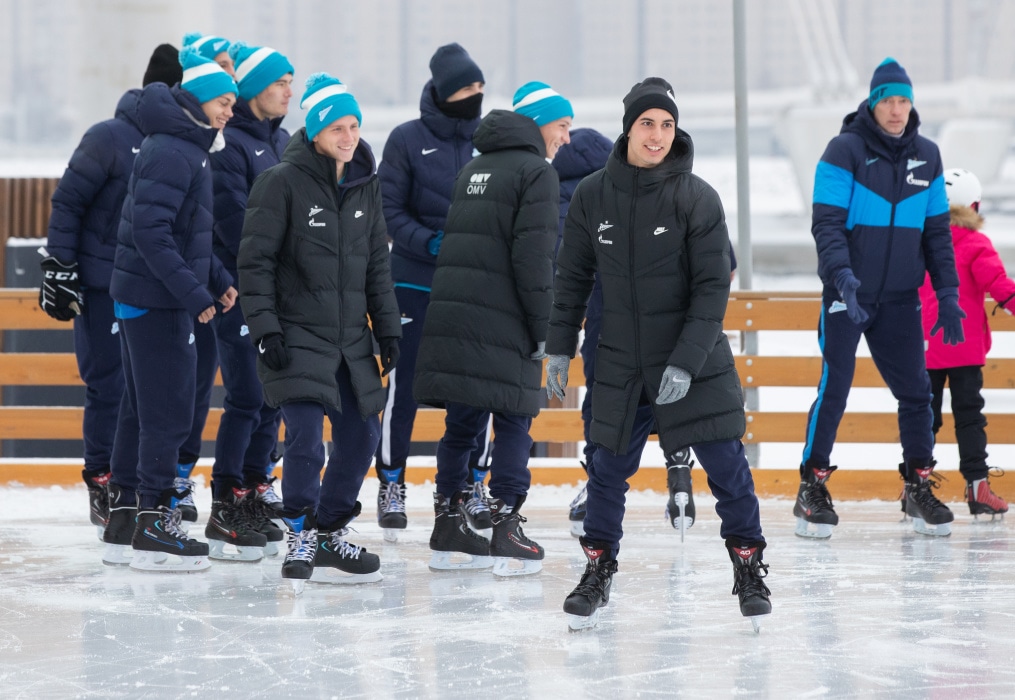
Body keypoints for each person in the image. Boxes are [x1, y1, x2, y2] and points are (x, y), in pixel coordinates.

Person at [545, 77, 770, 631]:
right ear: (628, 128)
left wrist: (685, 362)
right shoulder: (593, 195)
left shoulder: (696, 197)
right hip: (621, 357)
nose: (658, 135)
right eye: (647, 123)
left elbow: (712, 288)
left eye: (667, 124)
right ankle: (597, 569)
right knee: (606, 470)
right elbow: (571, 277)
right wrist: (556, 347)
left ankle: (748, 565)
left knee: (726, 466)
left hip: (693, 357)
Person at [238, 72, 402, 592]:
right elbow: (256, 263)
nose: (349, 137)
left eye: (354, 126)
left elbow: (378, 262)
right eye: (337, 128)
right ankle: (301, 531)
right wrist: (265, 329)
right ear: (315, 132)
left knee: (361, 435)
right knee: (306, 438)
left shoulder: (364, 185)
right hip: (296, 334)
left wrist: (389, 329)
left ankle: (329, 529)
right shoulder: (281, 182)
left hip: (351, 339)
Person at [796, 57, 964, 539]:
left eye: (904, 100)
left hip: (899, 299)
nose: (896, 110)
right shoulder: (843, 151)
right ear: (873, 104)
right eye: (888, 100)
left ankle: (918, 486)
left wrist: (948, 293)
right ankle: (812, 485)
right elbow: (826, 224)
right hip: (846, 294)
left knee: (916, 391)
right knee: (837, 385)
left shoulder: (928, 157)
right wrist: (843, 277)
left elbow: (936, 235)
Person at [413, 81, 571, 576]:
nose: (566, 138)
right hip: (505, 323)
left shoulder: (473, 169)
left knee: (461, 424)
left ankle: (448, 525)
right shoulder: (536, 173)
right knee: (514, 422)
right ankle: (505, 526)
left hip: (458, 318)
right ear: (540, 125)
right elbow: (534, 260)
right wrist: (544, 329)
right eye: (562, 127)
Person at [556, 129, 740, 542]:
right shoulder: (659, 188)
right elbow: (723, 266)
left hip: (608, 321)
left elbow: (564, 268)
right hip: (664, 324)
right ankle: (678, 466)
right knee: (674, 400)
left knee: (606, 411)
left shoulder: (576, 193)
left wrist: (560, 335)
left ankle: (596, 480)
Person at [105, 47, 240, 572]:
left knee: (142, 409)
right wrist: (194, 294)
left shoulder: (184, 145)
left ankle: (125, 515)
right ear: (201, 101)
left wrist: (218, 279)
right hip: (156, 300)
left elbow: (188, 231)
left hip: (149, 294)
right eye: (224, 102)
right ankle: (156, 521)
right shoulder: (174, 150)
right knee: (168, 412)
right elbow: (151, 232)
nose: (230, 111)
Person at [42, 44, 182, 537]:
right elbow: (68, 203)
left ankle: (143, 485)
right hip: (102, 283)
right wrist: (59, 265)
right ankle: (102, 479)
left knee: (148, 393)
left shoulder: (182, 146)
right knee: (109, 385)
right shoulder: (109, 138)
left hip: (154, 287)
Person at [374, 43, 491, 541]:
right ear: (444, 93)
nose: (475, 97)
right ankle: (391, 482)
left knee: (475, 389)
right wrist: (429, 241)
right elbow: (387, 211)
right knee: (404, 387)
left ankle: (469, 486)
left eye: (480, 89)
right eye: (466, 89)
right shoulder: (405, 140)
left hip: (471, 289)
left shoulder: (488, 142)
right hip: (414, 281)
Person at [205, 42, 295, 560]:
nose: (288, 91)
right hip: (239, 290)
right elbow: (233, 222)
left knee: (271, 395)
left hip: (277, 290)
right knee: (245, 395)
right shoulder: (230, 145)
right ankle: (226, 500)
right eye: (279, 82)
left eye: (290, 82)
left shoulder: (281, 141)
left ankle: (256, 487)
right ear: (254, 88)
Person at [919, 168, 1011, 520]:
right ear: (973, 205)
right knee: (970, 419)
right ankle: (978, 489)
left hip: (923, 347)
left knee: (923, 419)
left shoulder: (919, 241)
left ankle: (915, 487)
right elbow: (1000, 285)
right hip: (965, 348)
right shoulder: (976, 244)